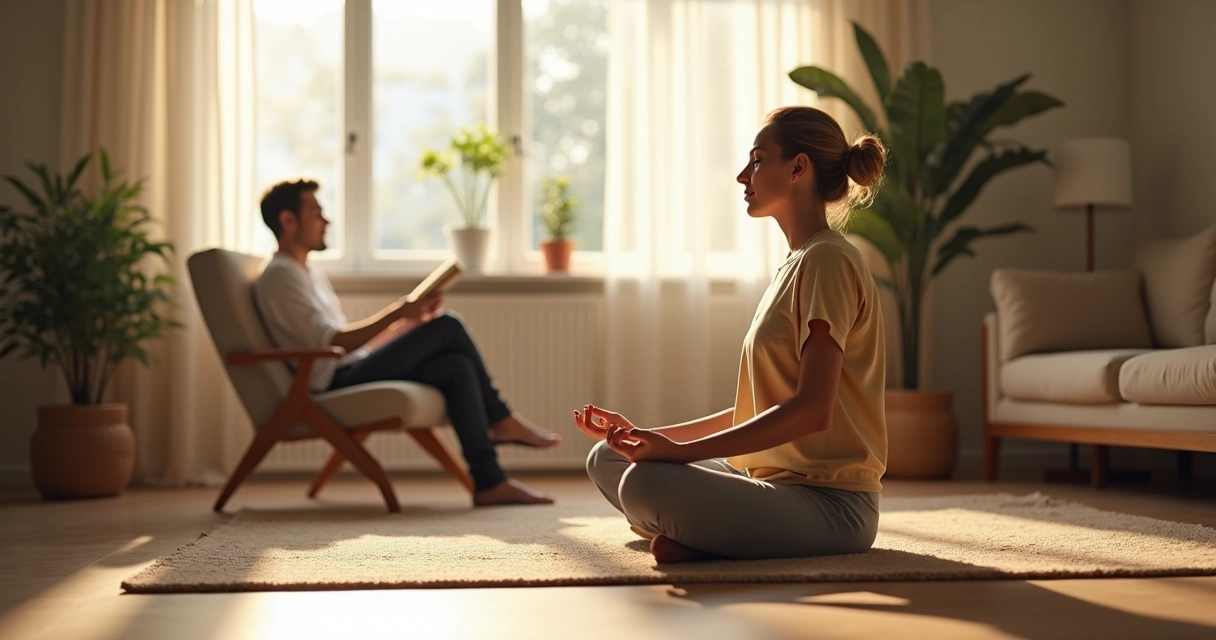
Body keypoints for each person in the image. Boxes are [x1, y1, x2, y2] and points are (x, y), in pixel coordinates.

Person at [577, 106, 888, 563]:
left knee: (646, 481)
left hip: (830, 504)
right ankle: (709, 536)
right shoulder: (798, 262)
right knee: (608, 459)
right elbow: (757, 407)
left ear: (798, 168)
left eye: (758, 160)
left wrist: (679, 454)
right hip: (766, 479)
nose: (744, 176)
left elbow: (812, 411)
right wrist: (647, 436)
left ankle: (707, 536)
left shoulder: (829, 260)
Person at [253, 179, 561, 507]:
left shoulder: (308, 273)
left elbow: (346, 345)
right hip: (327, 382)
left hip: (348, 367)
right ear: (288, 220)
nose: (326, 221)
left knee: (456, 366)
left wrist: (407, 323)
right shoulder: (280, 275)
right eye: (316, 212)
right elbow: (334, 344)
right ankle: (499, 419)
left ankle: (489, 482)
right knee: (448, 326)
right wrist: (398, 308)